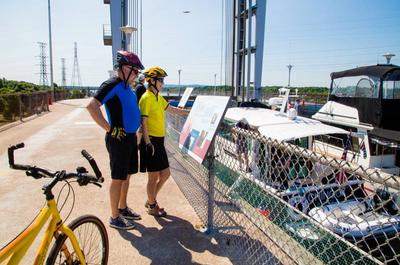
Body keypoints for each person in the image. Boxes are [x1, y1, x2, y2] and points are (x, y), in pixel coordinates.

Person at [86, 50, 144, 230]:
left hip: (130, 138)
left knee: (127, 175)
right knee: (118, 178)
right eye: (134, 70)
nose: (136, 75)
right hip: (118, 139)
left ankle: (123, 207)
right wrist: (109, 128)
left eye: (137, 72)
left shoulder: (128, 88)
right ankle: (114, 216)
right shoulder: (113, 84)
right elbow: (92, 106)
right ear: (123, 68)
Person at [139, 66, 186, 217]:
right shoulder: (146, 98)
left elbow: (171, 109)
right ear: (151, 81)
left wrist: (189, 113)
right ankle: (152, 206)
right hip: (151, 141)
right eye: (161, 80)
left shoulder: (158, 97)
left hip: (159, 142)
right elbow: (143, 123)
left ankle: (150, 199)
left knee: (165, 174)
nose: (163, 83)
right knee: (153, 177)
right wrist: (147, 143)